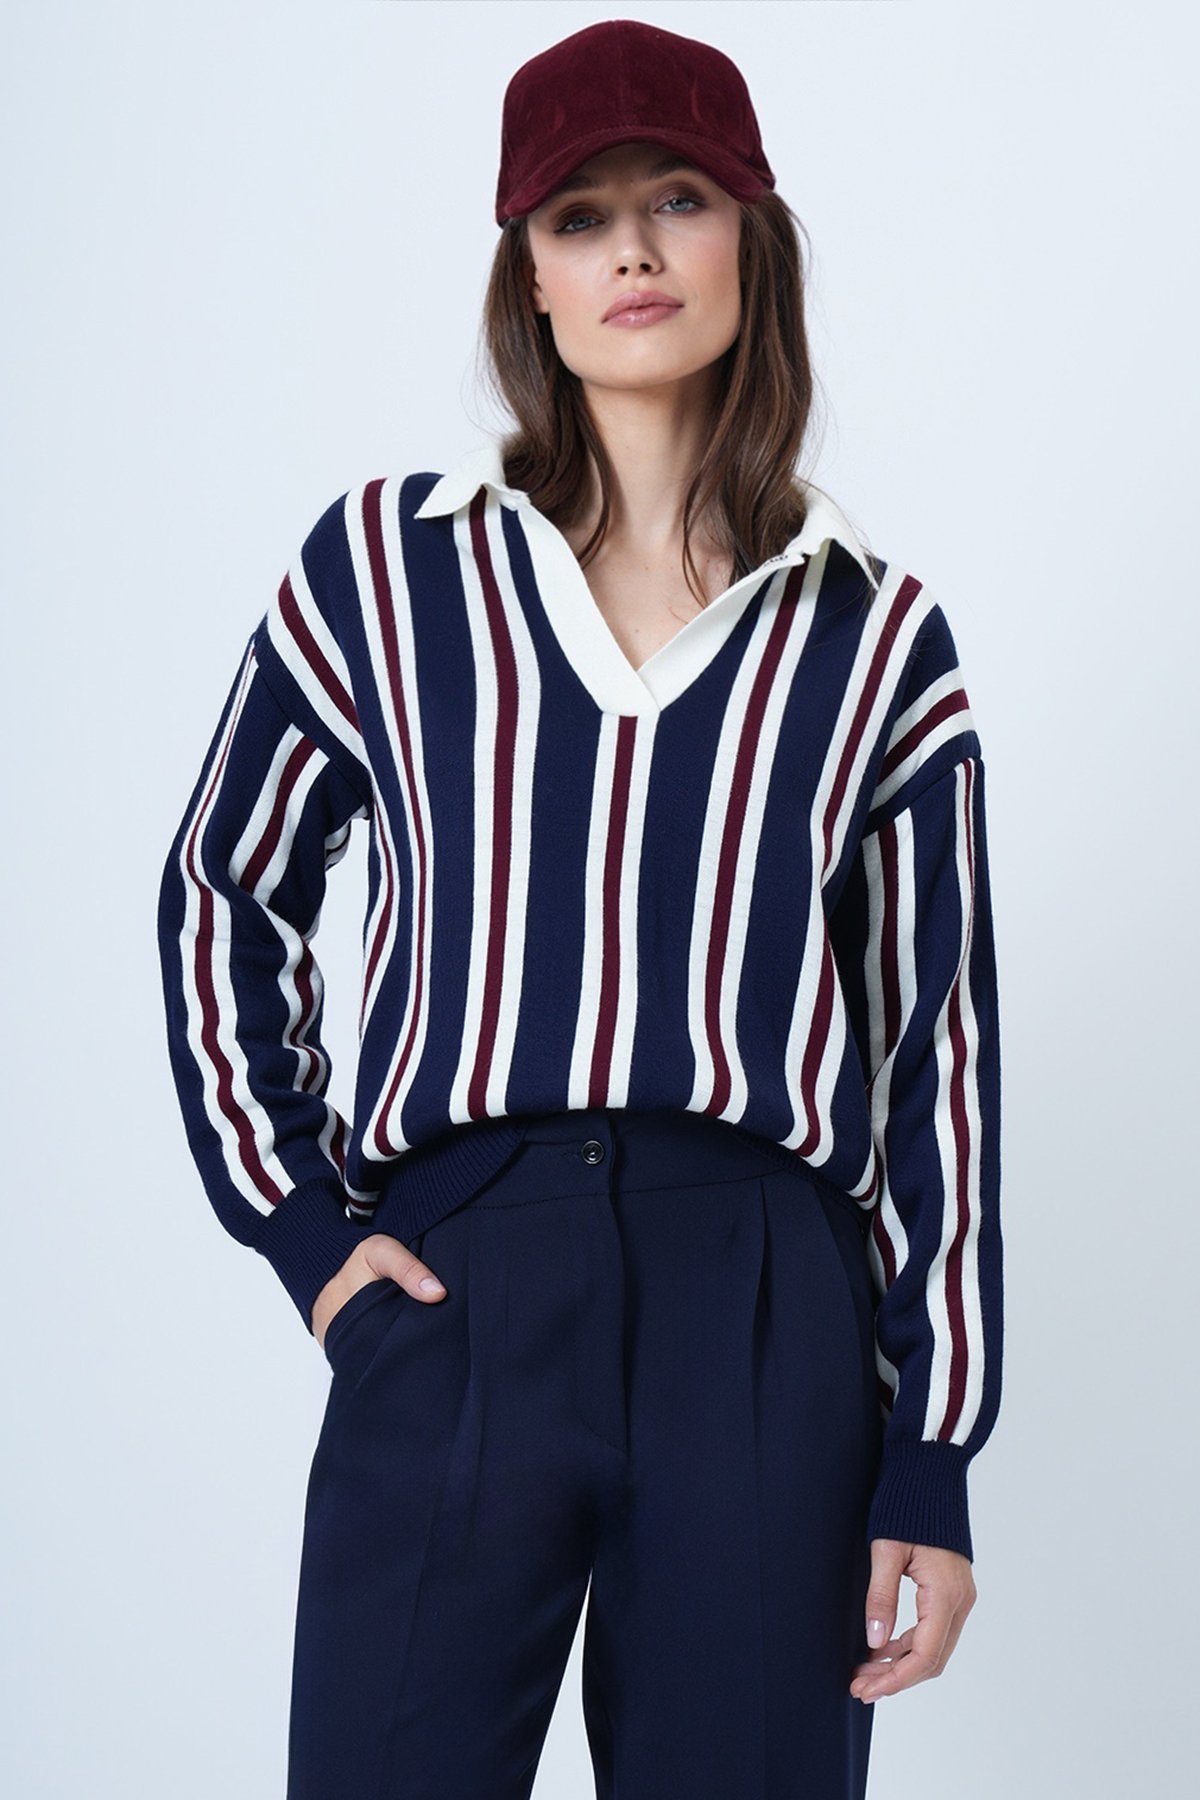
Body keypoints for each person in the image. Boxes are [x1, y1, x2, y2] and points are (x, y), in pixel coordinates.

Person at [156, 18, 1004, 1799]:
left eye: (678, 200)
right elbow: (223, 886)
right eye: (579, 216)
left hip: (760, 1308)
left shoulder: (872, 635)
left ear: (750, 242)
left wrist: (930, 1451)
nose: (632, 251)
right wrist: (305, 1236)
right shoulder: (387, 570)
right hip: (459, 1282)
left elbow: (936, 1058)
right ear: (527, 278)